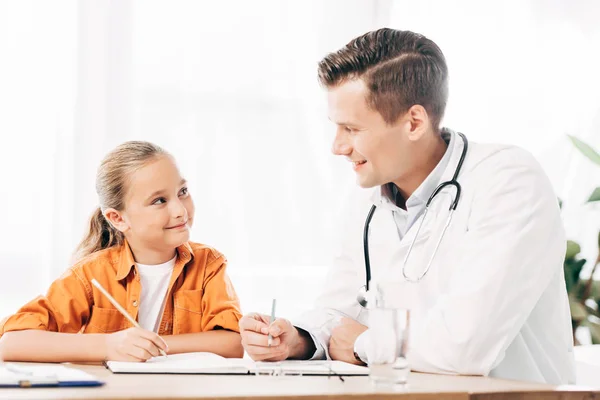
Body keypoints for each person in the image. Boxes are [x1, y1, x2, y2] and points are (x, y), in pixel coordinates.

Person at [238, 28, 574, 384]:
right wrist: (300, 340)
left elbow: (466, 346)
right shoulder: (369, 197)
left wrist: (364, 344)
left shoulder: (508, 181)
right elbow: (339, 311)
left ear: (414, 122)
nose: (337, 147)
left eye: (351, 128)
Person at [0, 141, 243, 362]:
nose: (180, 210)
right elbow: (12, 343)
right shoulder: (90, 275)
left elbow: (232, 343)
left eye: (183, 192)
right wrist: (109, 345)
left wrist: (148, 346)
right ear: (117, 218)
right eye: (159, 201)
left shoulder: (208, 264)